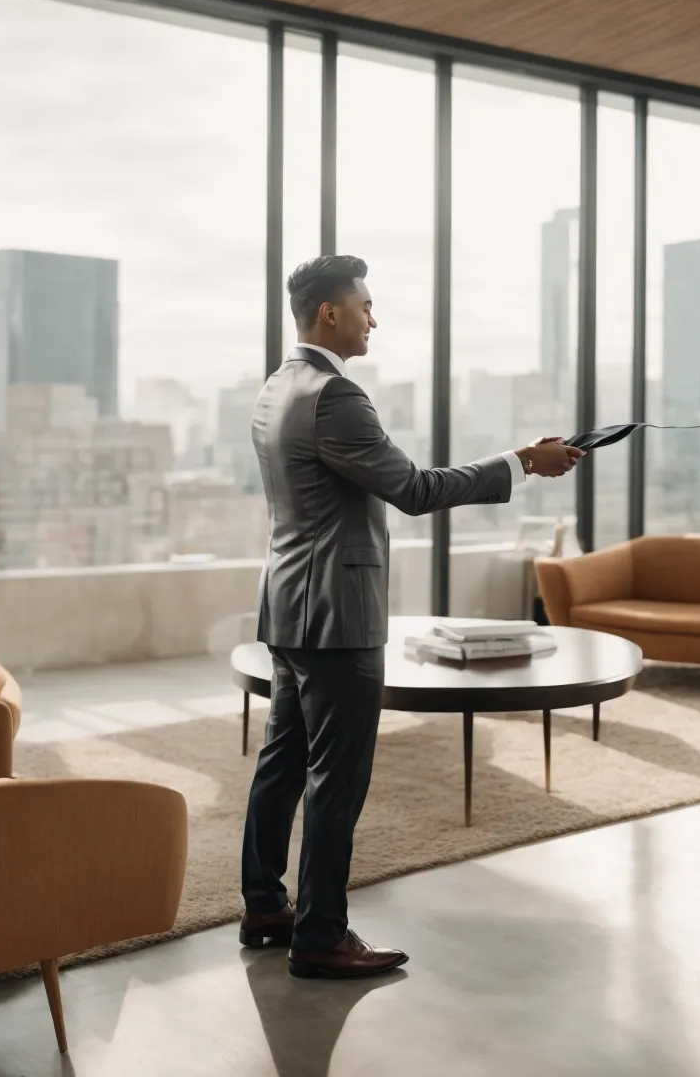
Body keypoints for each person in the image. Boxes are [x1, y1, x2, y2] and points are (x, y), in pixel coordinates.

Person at [240, 255, 584, 980]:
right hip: (337, 614)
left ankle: (266, 904)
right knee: (336, 779)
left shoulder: (277, 387)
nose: (373, 317)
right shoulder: (335, 394)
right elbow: (413, 489)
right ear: (330, 313)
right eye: (364, 304)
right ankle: (321, 935)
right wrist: (522, 461)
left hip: (289, 605)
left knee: (282, 766)